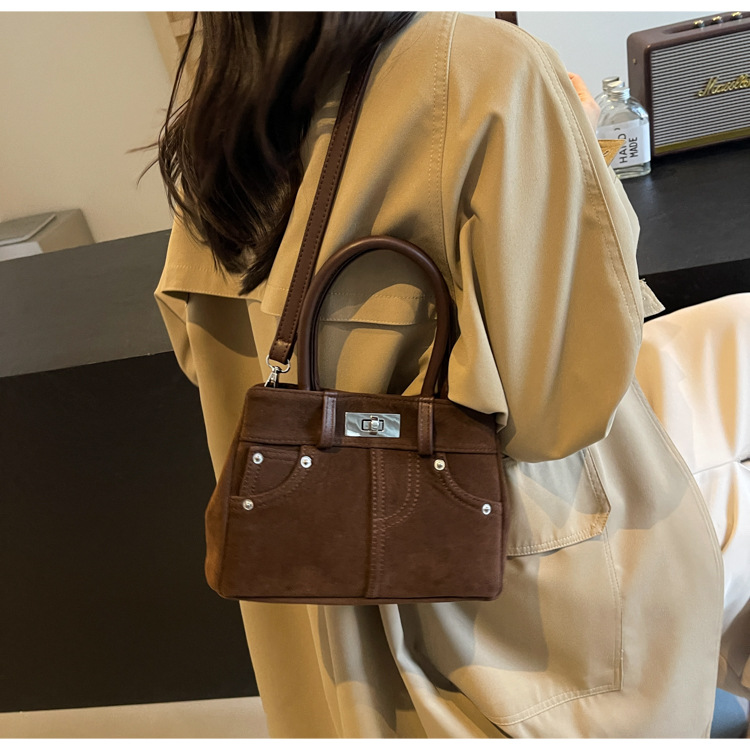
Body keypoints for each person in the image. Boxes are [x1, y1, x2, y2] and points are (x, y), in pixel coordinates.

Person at [153, 12, 724, 738]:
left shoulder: (217, 106)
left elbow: (204, 361)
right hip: (509, 637)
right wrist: (573, 147)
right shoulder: (483, 66)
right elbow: (558, 409)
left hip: (313, 627)